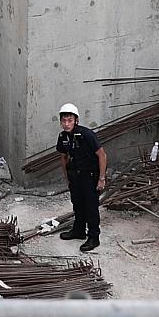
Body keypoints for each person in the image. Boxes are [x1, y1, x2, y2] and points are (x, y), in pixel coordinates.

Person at [55, 103, 106, 253]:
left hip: (90, 177)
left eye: (69, 120)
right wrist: (67, 178)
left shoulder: (87, 135)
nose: (66, 124)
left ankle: (94, 237)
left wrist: (101, 179)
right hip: (75, 177)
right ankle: (78, 230)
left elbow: (102, 155)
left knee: (91, 207)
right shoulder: (63, 137)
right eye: (64, 120)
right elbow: (63, 157)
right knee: (77, 205)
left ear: (76, 120)